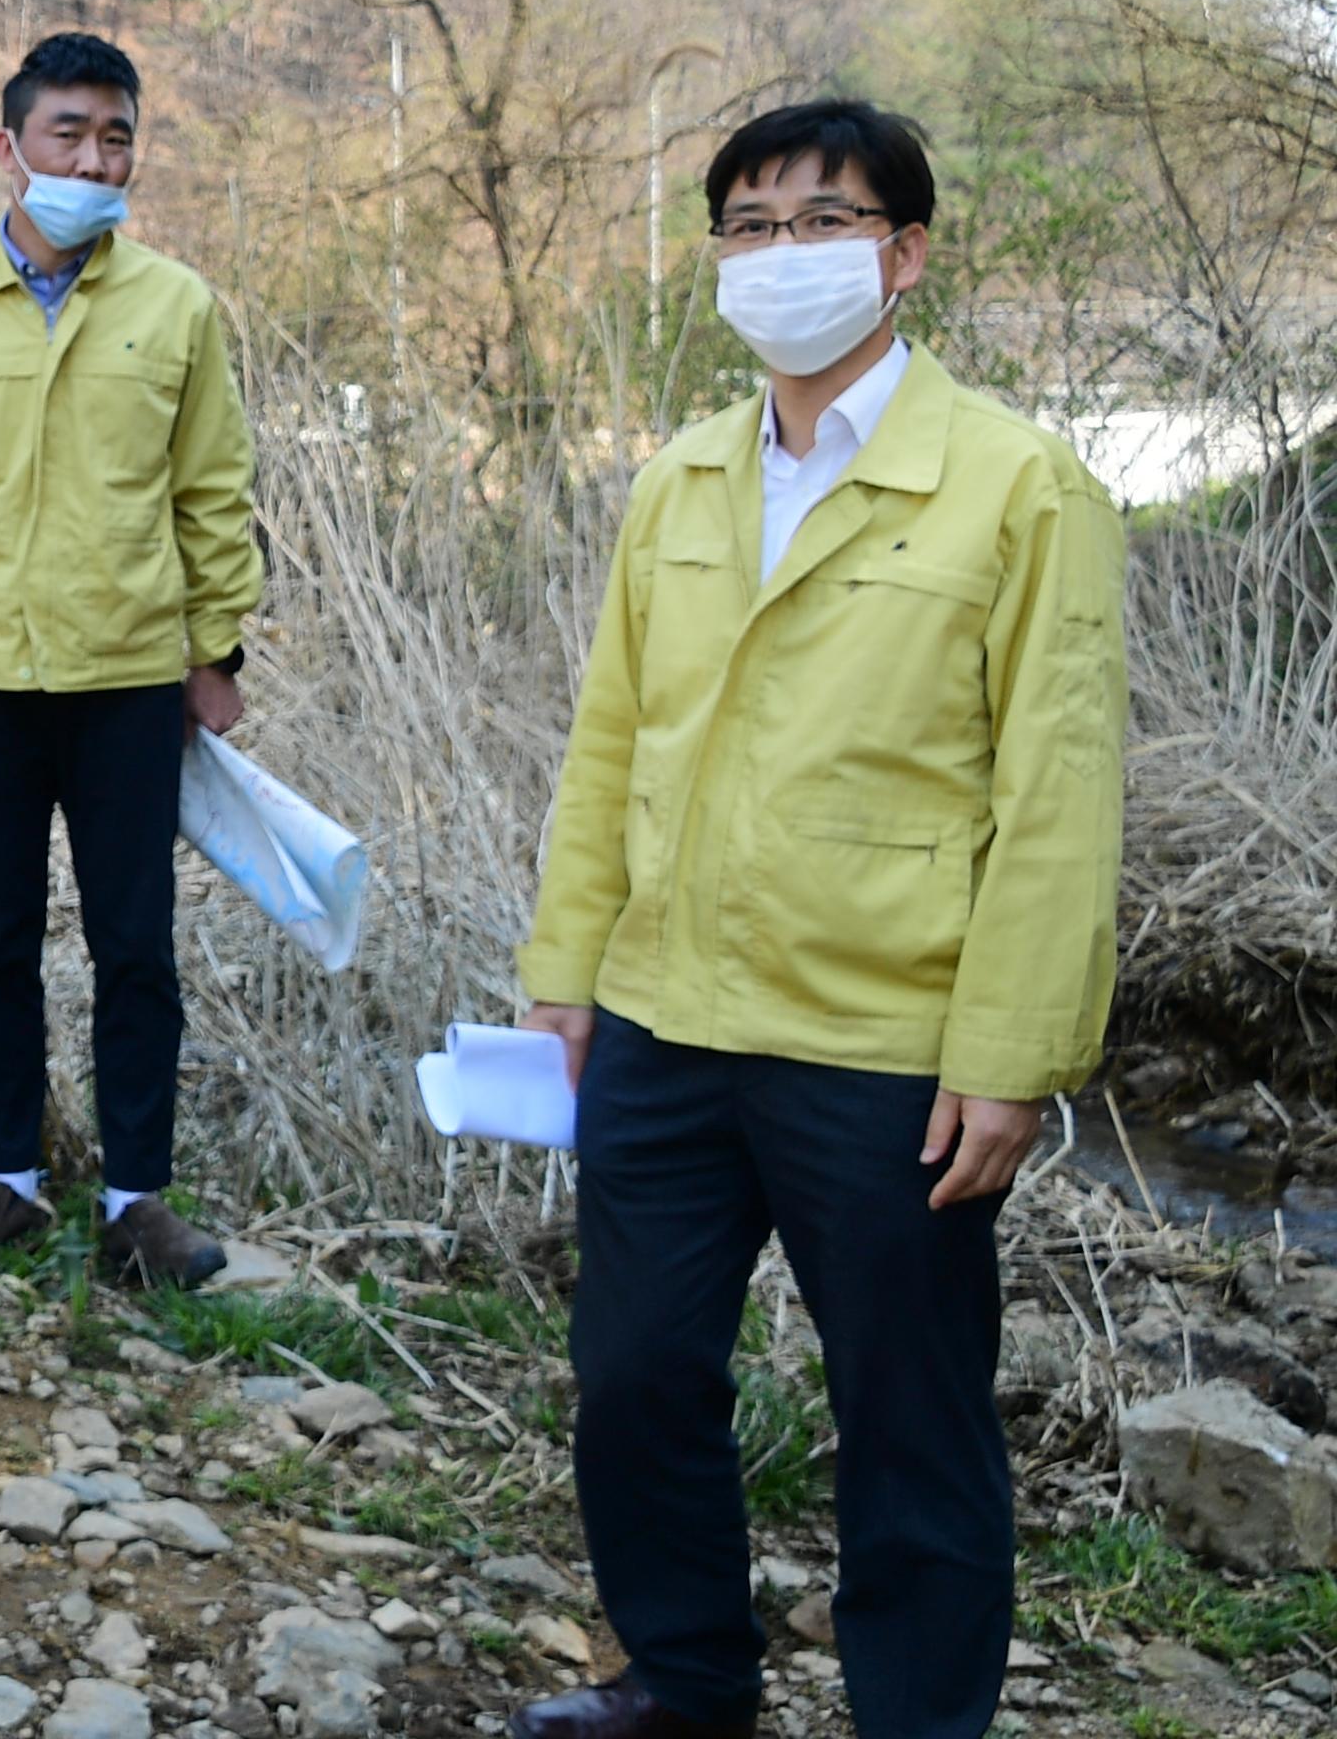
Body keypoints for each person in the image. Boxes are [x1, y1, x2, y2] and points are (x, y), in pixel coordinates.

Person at [513, 101, 1125, 1739]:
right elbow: (608, 743)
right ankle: (688, 1681)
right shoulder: (681, 482)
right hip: (663, 1015)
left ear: (902, 252)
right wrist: (560, 974)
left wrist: (1008, 1057)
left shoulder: (1016, 488)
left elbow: (1055, 799)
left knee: (906, 1416)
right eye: (749, 227)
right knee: (634, 1375)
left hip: (881, 1040)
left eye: (821, 220)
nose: (782, 256)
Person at [0, 31, 258, 1289]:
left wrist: (215, 648)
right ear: (10, 146)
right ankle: (10, 1176)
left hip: (129, 672)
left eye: (116, 135)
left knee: (137, 942)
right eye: (69, 131)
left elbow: (214, 488)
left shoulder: (175, 305)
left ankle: (139, 1197)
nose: (93, 155)